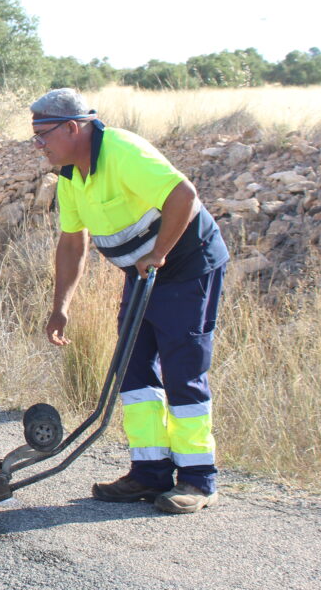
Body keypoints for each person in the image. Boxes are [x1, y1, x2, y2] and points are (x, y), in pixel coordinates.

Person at [33, 88, 229, 514]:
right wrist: (60, 306)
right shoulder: (69, 175)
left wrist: (157, 253)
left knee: (183, 369)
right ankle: (149, 473)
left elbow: (183, 195)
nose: (39, 145)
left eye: (43, 134)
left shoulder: (122, 151)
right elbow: (72, 244)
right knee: (134, 369)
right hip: (143, 274)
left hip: (187, 266)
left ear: (73, 127)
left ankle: (197, 480)